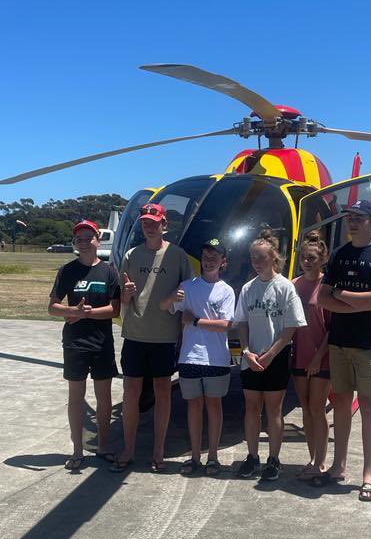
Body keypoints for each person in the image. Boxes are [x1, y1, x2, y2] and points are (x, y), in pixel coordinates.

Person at [316, 200, 371, 502]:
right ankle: (338, 466)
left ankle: (370, 474)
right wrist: (354, 302)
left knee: (370, 406)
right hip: (340, 342)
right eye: (349, 217)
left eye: (359, 218)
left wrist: (341, 295)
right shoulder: (339, 255)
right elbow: (322, 299)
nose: (352, 222)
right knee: (341, 403)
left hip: (369, 344)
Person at [112, 202, 193, 473]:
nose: (149, 226)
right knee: (131, 392)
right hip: (135, 334)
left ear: (164, 225)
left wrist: (184, 333)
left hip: (164, 337)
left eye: (154, 222)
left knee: (163, 393)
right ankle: (129, 448)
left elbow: (187, 296)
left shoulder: (178, 256)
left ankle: (159, 449)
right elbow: (123, 299)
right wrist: (127, 293)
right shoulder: (132, 255)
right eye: (145, 221)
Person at [234, 230, 307, 481]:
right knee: (251, 408)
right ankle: (252, 457)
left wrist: (269, 355)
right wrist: (247, 352)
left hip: (275, 358)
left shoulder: (285, 287)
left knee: (273, 410)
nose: (256, 262)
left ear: (273, 258)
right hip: (251, 358)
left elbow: (290, 329)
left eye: (261, 258)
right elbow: (241, 322)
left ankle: (273, 459)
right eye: (253, 258)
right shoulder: (247, 288)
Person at [48, 219, 120, 471]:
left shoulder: (110, 272)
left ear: (97, 240)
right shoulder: (67, 271)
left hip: (101, 343)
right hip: (75, 344)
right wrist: (71, 310)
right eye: (79, 239)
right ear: (75, 243)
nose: (84, 242)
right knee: (76, 398)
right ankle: (78, 450)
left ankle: (103, 446)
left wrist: (84, 313)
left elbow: (114, 309)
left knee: (104, 399)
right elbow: (52, 307)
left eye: (88, 237)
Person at [160, 238, 236, 475]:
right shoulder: (188, 286)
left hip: (216, 359)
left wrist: (195, 321)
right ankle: (195, 456)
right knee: (194, 407)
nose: (209, 259)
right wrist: (172, 297)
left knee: (214, 406)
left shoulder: (226, 291)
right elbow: (164, 306)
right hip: (190, 357)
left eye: (214, 256)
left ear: (223, 261)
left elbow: (225, 324)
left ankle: (212, 456)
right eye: (205, 255)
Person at [291, 233, 331, 480]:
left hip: (321, 357)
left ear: (322, 259)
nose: (307, 261)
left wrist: (318, 357)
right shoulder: (293, 284)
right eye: (304, 257)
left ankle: (321, 461)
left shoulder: (327, 285)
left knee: (318, 409)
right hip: (298, 356)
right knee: (305, 409)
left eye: (312, 258)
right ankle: (311, 457)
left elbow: (332, 327)